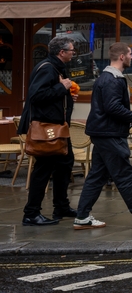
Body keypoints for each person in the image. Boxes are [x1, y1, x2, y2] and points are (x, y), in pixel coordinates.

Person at [73, 43, 132, 229]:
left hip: (103, 133)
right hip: (110, 135)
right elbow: (112, 107)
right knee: (124, 174)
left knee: (97, 175)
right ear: (122, 57)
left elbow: (109, 107)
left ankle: (82, 216)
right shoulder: (113, 79)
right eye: (130, 54)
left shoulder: (106, 78)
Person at [19, 36, 79, 226]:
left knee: (65, 163)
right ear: (62, 52)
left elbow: (50, 94)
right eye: (71, 51)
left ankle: (61, 206)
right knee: (43, 169)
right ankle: (31, 213)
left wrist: (66, 97)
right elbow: (36, 95)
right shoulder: (47, 68)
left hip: (57, 128)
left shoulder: (56, 67)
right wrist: (62, 87)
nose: (73, 54)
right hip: (47, 129)